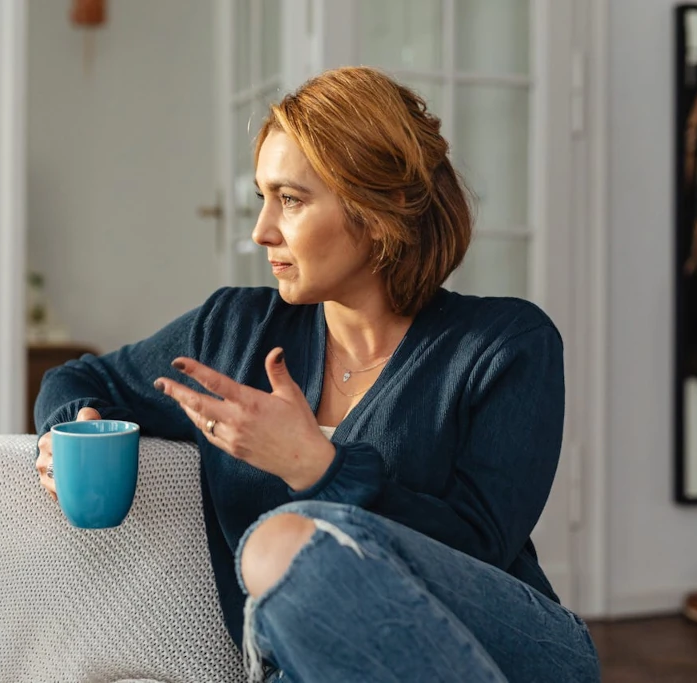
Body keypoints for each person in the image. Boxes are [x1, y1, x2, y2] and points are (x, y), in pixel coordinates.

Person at [34, 66, 601, 682]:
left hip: (516, 649)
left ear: (376, 210)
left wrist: (320, 470)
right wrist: (70, 431)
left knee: (283, 545)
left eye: (292, 199)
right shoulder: (233, 331)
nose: (261, 231)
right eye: (263, 196)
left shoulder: (506, 344)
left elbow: (481, 544)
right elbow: (81, 378)